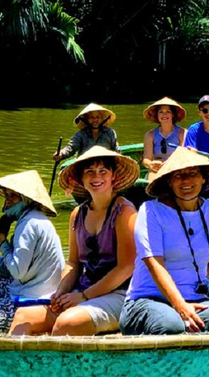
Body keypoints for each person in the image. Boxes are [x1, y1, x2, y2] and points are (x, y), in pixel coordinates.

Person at [119, 147, 209, 335]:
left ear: (203, 178)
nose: (186, 181)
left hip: (195, 298)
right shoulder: (151, 211)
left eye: (192, 173)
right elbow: (154, 264)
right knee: (171, 324)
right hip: (147, 300)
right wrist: (180, 306)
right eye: (178, 175)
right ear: (169, 181)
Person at [11, 146, 139, 335]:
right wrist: (61, 291)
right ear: (81, 179)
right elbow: (73, 263)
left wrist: (84, 296)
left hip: (122, 294)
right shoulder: (77, 214)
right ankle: (17, 365)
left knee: (66, 323)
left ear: (114, 177)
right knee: (24, 317)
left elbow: (126, 267)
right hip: (85, 290)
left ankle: (56, 365)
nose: (96, 177)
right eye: (90, 172)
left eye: (103, 171)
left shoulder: (124, 212)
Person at [0, 171, 65, 334]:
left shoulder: (28, 224)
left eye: (13, 196)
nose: (7, 200)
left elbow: (17, 271)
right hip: (40, 288)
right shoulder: (34, 218)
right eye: (6, 195)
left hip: (32, 298)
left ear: (26, 200)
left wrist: (2, 243)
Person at [142, 97, 188, 181]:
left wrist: (167, 165)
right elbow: (146, 159)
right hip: (157, 169)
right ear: (157, 115)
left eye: (168, 112)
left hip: (177, 168)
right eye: (161, 112)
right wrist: (150, 164)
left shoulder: (183, 133)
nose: (164, 115)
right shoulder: (150, 135)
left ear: (173, 114)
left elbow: (183, 156)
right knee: (152, 181)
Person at [53, 103, 119, 162]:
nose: (95, 120)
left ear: (102, 118)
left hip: (104, 166)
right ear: (86, 119)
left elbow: (116, 151)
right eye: (91, 117)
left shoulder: (110, 133)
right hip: (85, 166)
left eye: (98, 117)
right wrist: (61, 154)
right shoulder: (81, 135)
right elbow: (70, 148)